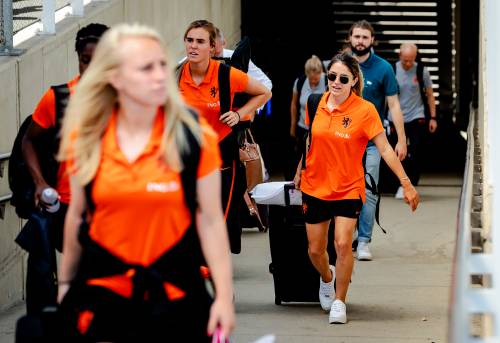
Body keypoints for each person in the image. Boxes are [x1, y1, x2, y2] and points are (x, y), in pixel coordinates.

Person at [57, 23, 234, 341]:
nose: (158, 75)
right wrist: (66, 287)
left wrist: (222, 295)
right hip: (105, 298)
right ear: (115, 77)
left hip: (176, 296)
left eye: (162, 65)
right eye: (145, 68)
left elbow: (209, 220)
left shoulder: (192, 137)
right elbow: (77, 215)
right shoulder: (86, 137)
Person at [294, 52, 419, 324]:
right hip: (315, 185)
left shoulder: (365, 110)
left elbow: (385, 149)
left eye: (342, 78)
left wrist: (406, 183)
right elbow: (310, 140)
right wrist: (298, 171)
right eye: (332, 77)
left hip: (349, 187)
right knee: (315, 250)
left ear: (353, 81)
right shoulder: (315, 102)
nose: (335, 82)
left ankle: (340, 301)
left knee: (342, 244)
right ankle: (327, 278)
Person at [20, 23, 108, 313]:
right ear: (78, 58)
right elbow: (28, 142)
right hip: (67, 209)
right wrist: (41, 182)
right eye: (85, 60)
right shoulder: (57, 99)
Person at [178, 19, 271, 253]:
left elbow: (264, 92)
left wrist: (239, 114)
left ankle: (218, 280)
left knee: (218, 220)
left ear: (212, 47)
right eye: (189, 40)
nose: (193, 46)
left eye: (200, 42)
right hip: (189, 156)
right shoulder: (177, 76)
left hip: (222, 156)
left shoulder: (226, 74)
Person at [348, 20, 408, 261]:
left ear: (372, 40)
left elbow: (394, 105)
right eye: (357, 36)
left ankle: (364, 241)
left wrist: (401, 140)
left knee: (370, 190)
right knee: (343, 190)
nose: (360, 41)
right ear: (350, 38)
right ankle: (346, 234)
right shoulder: (342, 64)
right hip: (344, 140)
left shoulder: (383, 68)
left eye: (365, 37)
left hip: (373, 141)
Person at [389, 43, 438, 199]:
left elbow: (430, 95)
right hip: (396, 118)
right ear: (400, 56)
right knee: (397, 152)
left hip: (416, 115)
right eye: (405, 60)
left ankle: (410, 182)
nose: (408, 64)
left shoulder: (421, 71)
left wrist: (433, 118)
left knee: (415, 151)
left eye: (411, 60)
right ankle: (400, 184)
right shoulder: (392, 70)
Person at [288, 55, 328, 179]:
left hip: (321, 128)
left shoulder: (328, 81)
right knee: (301, 158)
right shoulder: (299, 82)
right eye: (311, 79)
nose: (314, 82)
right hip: (303, 127)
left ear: (321, 73)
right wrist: (293, 126)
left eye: (316, 79)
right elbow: (294, 105)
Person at [214, 27, 273, 91]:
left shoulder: (235, 56)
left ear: (224, 43)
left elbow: (266, 84)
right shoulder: (208, 61)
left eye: (214, 41)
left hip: (260, 90)